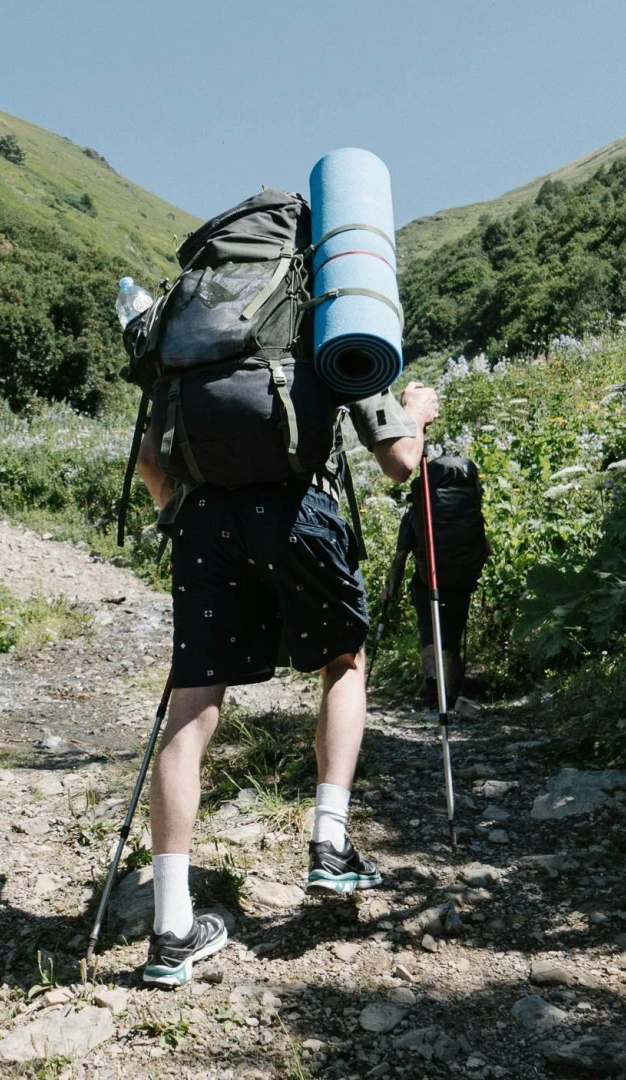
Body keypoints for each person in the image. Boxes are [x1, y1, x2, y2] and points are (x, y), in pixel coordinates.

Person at [132, 380, 440, 986]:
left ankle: (171, 929)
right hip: (298, 510)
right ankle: (330, 843)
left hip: (202, 521)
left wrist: (193, 506)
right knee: (343, 663)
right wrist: (416, 414)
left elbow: (148, 458)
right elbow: (401, 461)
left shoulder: (186, 338)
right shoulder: (321, 329)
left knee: (192, 705)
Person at [383, 453, 491, 706]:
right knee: (452, 642)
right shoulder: (468, 512)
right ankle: (451, 698)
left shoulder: (417, 514)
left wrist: (391, 589)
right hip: (461, 581)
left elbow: (400, 557)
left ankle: (434, 694)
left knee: (430, 636)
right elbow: (486, 549)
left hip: (428, 581)